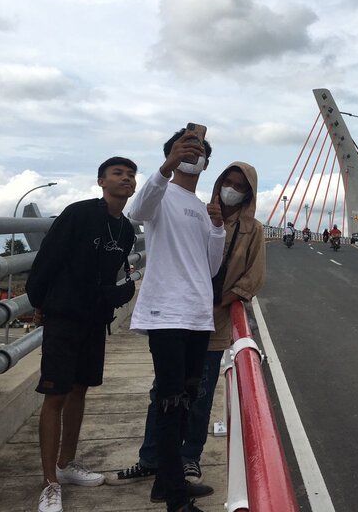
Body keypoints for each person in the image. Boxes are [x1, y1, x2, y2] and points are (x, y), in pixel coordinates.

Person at [110, 162, 265, 490]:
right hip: (179, 315)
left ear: (248, 193)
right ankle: (153, 460)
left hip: (213, 319)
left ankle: (187, 457)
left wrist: (219, 303)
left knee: (199, 392)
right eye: (228, 182)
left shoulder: (253, 229)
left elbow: (253, 276)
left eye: (239, 186)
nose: (231, 189)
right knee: (164, 393)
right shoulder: (196, 210)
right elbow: (147, 221)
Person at [26, 157, 138, 512]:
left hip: (94, 320)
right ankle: (49, 483)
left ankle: (67, 464)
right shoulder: (78, 213)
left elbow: (115, 274)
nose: (126, 179)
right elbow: (47, 259)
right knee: (55, 393)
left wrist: (121, 293)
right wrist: (40, 302)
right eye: (118, 173)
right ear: (101, 181)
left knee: (79, 390)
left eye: (131, 175)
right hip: (64, 316)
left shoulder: (126, 229)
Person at [127, 128, 226, 512]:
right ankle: (175, 500)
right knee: (169, 403)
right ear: (171, 155)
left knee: (186, 400)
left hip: (199, 316)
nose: (193, 153)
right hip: (166, 314)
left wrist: (217, 227)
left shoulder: (202, 208)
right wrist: (166, 166)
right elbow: (137, 213)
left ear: (206, 163)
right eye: (185, 148)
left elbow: (211, 266)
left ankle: (169, 482)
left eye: (199, 150)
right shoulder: (160, 193)